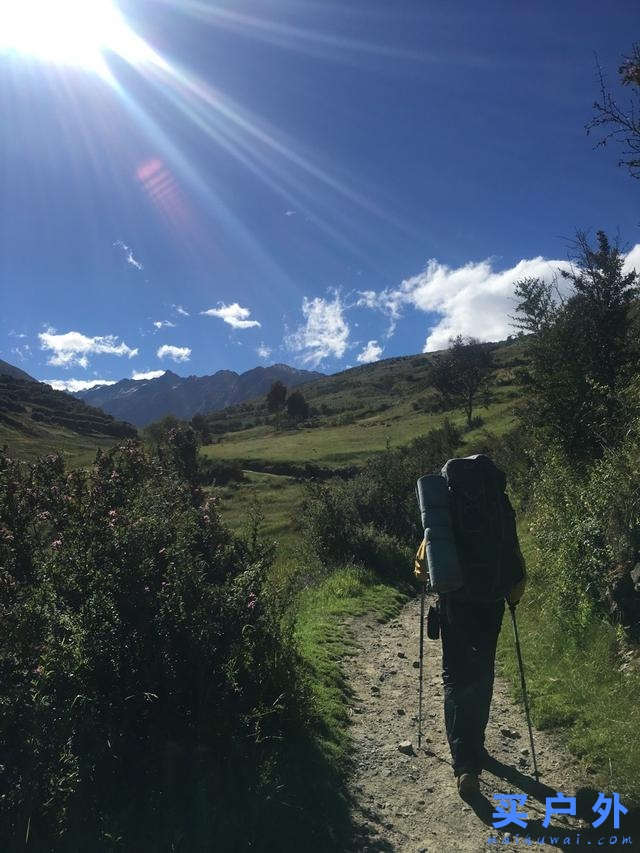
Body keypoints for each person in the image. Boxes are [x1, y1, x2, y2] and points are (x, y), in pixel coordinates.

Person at [414, 537, 526, 797]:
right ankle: (476, 745)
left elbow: (422, 563)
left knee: (455, 677)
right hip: (491, 604)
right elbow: (515, 561)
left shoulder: (446, 514)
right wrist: (513, 598)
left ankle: (465, 765)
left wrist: (427, 577)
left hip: (454, 603)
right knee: (482, 673)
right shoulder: (496, 511)